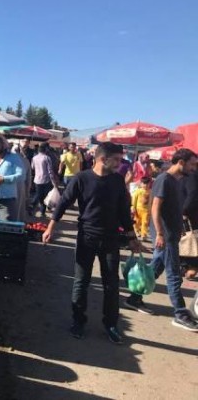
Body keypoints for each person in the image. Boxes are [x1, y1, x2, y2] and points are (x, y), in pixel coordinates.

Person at [42, 142, 144, 344]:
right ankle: (78, 321)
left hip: (111, 239)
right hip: (86, 237)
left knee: (111, 284)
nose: (119, 163)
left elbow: (124, 211)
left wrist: (133, 238)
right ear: (102, 159)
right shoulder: (82, 178)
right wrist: (50, 227)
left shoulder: (117, 181)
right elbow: (63, 203)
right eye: (116, 159)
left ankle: (111, 324)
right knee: (81, 281)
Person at [126, 149, 198, 331]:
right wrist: (159, 233)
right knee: (174, 275)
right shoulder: (164, 180)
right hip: (165, 236)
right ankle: (180, 314)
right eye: (191, 164)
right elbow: (155, 208)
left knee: (155, 269)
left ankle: (134, 298)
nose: (193, 167)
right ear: (181, 162)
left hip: (171, 234)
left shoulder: (176, 181)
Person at [30, 142, 59, 217]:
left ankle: (35, 207)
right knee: (44, 196)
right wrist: (53, 181)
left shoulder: (34, 158)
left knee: (39, 194)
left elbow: (32, 167)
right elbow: (50, 171)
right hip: (46, 180)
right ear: (45, 150)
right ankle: (40, 210)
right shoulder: (47, 158)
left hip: (37, 179)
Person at [11, 144, 32, 222]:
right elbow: (28, 179)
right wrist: (27, 193)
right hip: (21, 188)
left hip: (7, 187)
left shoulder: (6, 160)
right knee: (19, 209)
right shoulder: (25, 161)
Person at [131, 177, 152, 241]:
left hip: (146, 211)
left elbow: (152, 201)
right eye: (144, 183)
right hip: (138, 209)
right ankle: (137, 231)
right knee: (137, 222)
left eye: (147, 184)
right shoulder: (138, 191)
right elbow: (134, 199)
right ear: (141, 184)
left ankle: (144, 235)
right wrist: (133, 207)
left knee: (145, 222)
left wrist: (151, 209)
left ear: (149, 184)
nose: (145, 185)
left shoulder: (151, 191)